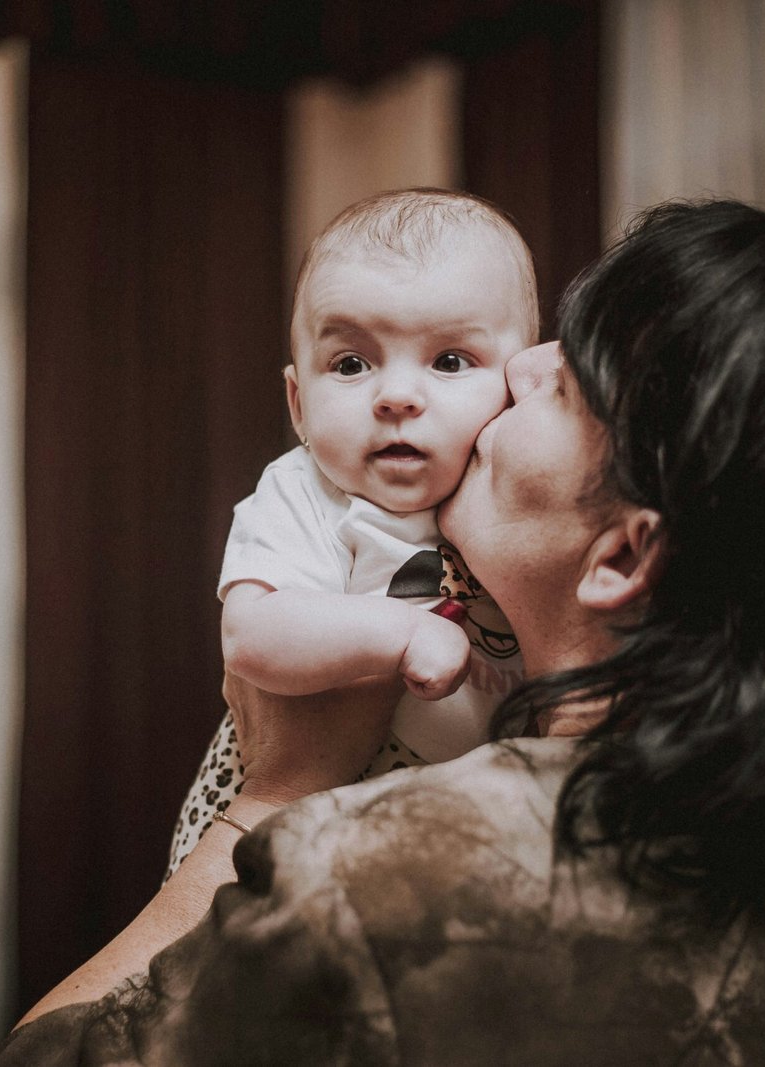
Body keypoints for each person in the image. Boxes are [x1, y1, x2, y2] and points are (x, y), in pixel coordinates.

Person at [0, 199, 765, 1064]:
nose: (526, 365)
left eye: (570, 382)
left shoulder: (389, 883)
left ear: (623, 556)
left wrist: (273, 791)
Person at [165, 189, 533, 875]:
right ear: (299, 404)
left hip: (456, 807)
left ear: (521, 386)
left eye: (450, 361)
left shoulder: (518, 492)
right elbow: (251, 633)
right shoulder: (306, 490)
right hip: (298, 797)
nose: (396, 397)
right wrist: (402, 632)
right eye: (351, 364)